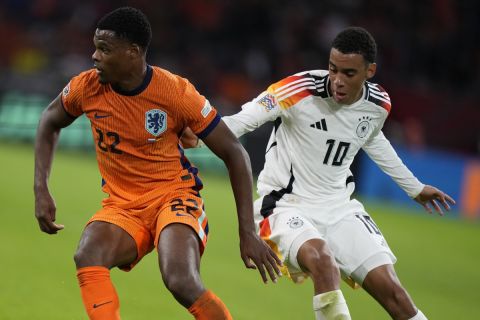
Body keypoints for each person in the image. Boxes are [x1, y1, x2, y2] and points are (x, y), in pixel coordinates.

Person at [183, 27, 455, 320]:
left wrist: (414, 188)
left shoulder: (378, 105)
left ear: (370, 71)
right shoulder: (298, 89)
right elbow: (245, 120)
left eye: (348, 74)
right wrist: (201, 136)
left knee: (397, 296)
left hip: (340, 209)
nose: (337, 81)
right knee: (323, 261)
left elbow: (374, 140)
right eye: (332, 69)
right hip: (284, 206)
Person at [33, 7, 281, 320]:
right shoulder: (86, 87)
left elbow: (235, 152)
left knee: (180, 280)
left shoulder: (175, 93)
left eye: (105, 49)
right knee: (88, 254)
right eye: (95, 47)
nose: (95, 56)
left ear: (133, 52)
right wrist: (41, 188)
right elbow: (49, 121)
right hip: (123, 205)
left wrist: (247, 232)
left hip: (174, 197)